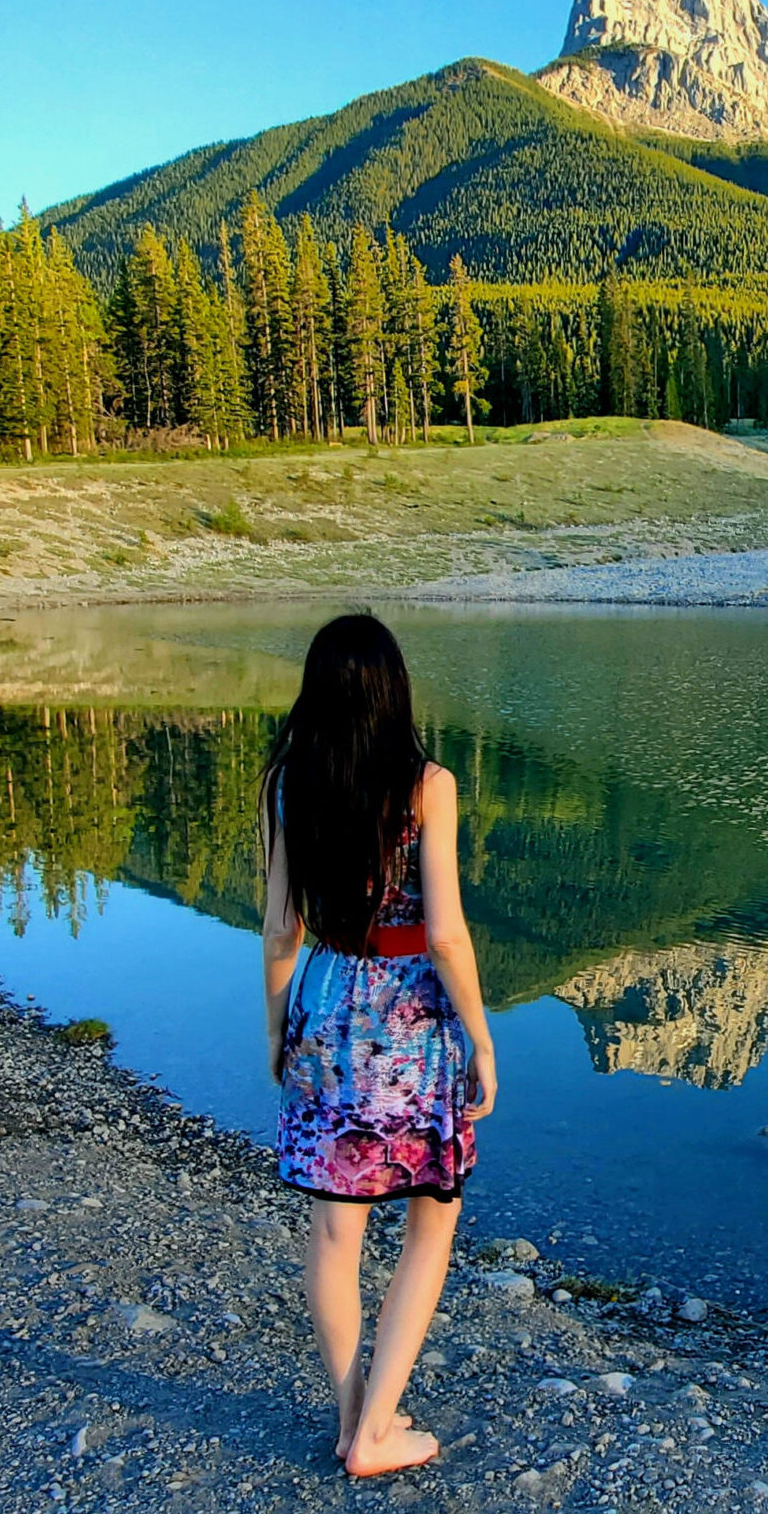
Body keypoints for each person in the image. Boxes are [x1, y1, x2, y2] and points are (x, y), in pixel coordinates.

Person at [260, 613, 497, 1477]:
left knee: (334, 1234)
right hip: (409, 1022)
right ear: (394, 691)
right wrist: (481, 1037)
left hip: (324, 1005)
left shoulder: (292, 780)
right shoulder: (427, 784)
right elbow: (445, 936)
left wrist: (278, 1031)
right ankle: (376, 1432)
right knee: (432, 1216)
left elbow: (281, 929)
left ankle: (351, 1414)